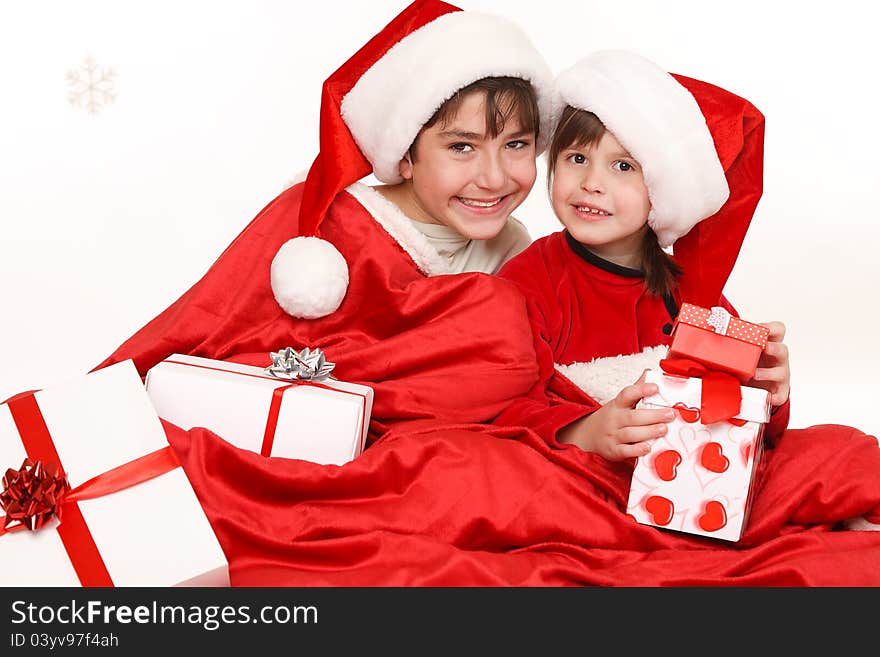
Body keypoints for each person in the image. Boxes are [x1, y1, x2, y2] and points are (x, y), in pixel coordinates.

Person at [97, 0, 557, 438]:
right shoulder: (323, 228)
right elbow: (202, 326)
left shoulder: (516, 255)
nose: (494, 177)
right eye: (461, 147)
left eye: (516, 145)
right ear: (405, 157)